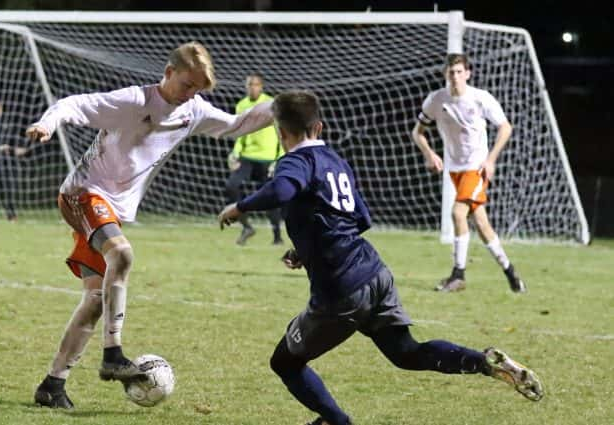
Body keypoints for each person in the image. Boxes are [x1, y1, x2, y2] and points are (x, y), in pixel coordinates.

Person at [218, 90, 543, 425]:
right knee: (406, 353)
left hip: (341, 289)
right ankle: (483, 361)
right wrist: (306, 248)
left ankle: (336, 421)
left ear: (281, 133)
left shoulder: (296, 161)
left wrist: (239, 206)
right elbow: (362, 218)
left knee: (284, 362)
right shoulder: (336, 161)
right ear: (320, 126)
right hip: (374, 273)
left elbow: (282, 190)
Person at [26, 41, 275, 409]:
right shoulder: (134, 101)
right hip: (82, 195)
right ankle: (113, 354)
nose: (190, 94)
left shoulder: (193, 110)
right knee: (122, 256)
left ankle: (52, 385)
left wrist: (281, 107)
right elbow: (72, 104)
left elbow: (238, 125)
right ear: (169, 72)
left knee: (96, 300)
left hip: (109, 208)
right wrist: (47, 123)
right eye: (186, 84)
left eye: (197, 89)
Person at [412, 54, 526, 293]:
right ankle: (511, 274)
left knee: (457, 213)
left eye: (459, 72)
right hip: (455, 169)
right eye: (450, 72)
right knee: (483, 225)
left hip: (476, 167)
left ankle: (458, 275)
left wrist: (491, 159)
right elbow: (418, 132)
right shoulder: (437, 100)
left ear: (468, 73)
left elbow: (505, 127)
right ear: (445, 74)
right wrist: (429, 154)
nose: (454, 77)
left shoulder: (480, 98)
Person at [225, 72, 284, 245]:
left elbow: (282, 132)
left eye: (256, 85)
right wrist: (235, 153)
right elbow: (240, 132)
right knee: (231, 186)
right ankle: (246, 227)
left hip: (268, 160)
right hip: (247, 158)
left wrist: (279, 159)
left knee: (271, 197)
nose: (253, 88)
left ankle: (277, 236)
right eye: (249, 85)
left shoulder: (271, 104)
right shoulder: (241, 105)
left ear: (261, 86)